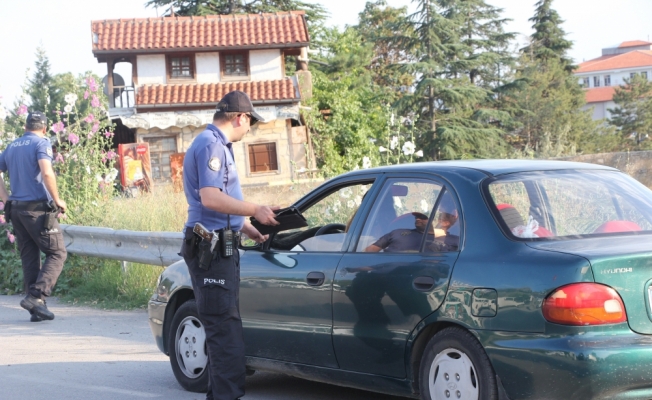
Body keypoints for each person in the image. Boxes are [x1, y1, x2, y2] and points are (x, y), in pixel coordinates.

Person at [180, 90, 279, 400]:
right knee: (225, 335)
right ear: (240, 117)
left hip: (219, 245)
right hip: (210, 250)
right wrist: (255, 209)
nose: (249, 128)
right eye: (249, 121)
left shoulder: (218, 144)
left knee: (225, 332)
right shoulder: (211, 145)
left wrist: (247, 227)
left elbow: (221, 202)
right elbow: (210, 197)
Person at [0, 111, 67, 322]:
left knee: (30, 257)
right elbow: (46, 172)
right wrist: (57, 200)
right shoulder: (42, 143)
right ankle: (36, 297)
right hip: (37, 209)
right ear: (45, 128)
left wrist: (6, 198)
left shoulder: (11, 146)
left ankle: (36, 310)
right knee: (57, 253)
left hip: (16, 210)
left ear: (26, 126)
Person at [365, 212, 434, 252]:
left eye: (423, 217)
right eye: (416, 217)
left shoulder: (438, 240)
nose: (418, 219)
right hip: (379, 271)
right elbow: (371, 249)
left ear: (432, 221)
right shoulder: (397, 232)